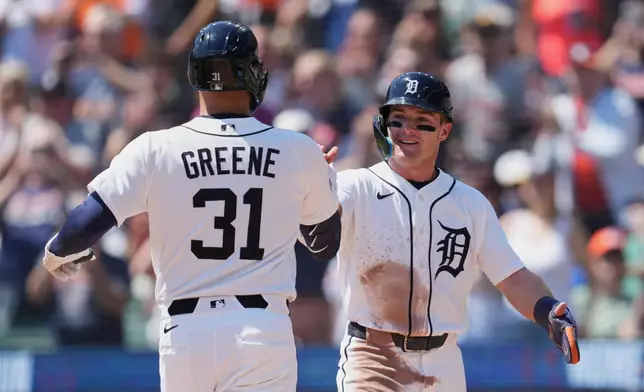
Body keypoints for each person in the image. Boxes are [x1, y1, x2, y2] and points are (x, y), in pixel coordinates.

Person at [40, 21, 341, 392]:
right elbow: (325, 244)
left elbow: (84, 223)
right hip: (261, 329)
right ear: (253, 73)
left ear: (194, 75)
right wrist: (312, 183)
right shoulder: (297, 148)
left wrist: (58, 252)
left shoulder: (154, 147)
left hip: (185, 331)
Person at [333, 71, 579, 391]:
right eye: (398, 119)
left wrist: (546, 310)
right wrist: (315, 188)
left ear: (444, 130)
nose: (408, 129)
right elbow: (318, 228)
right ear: (384, 125)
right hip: (374, 354)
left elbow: (512, 276)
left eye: (422, 120)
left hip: (443, 361)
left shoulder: (469, 204)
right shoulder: (354, 186)